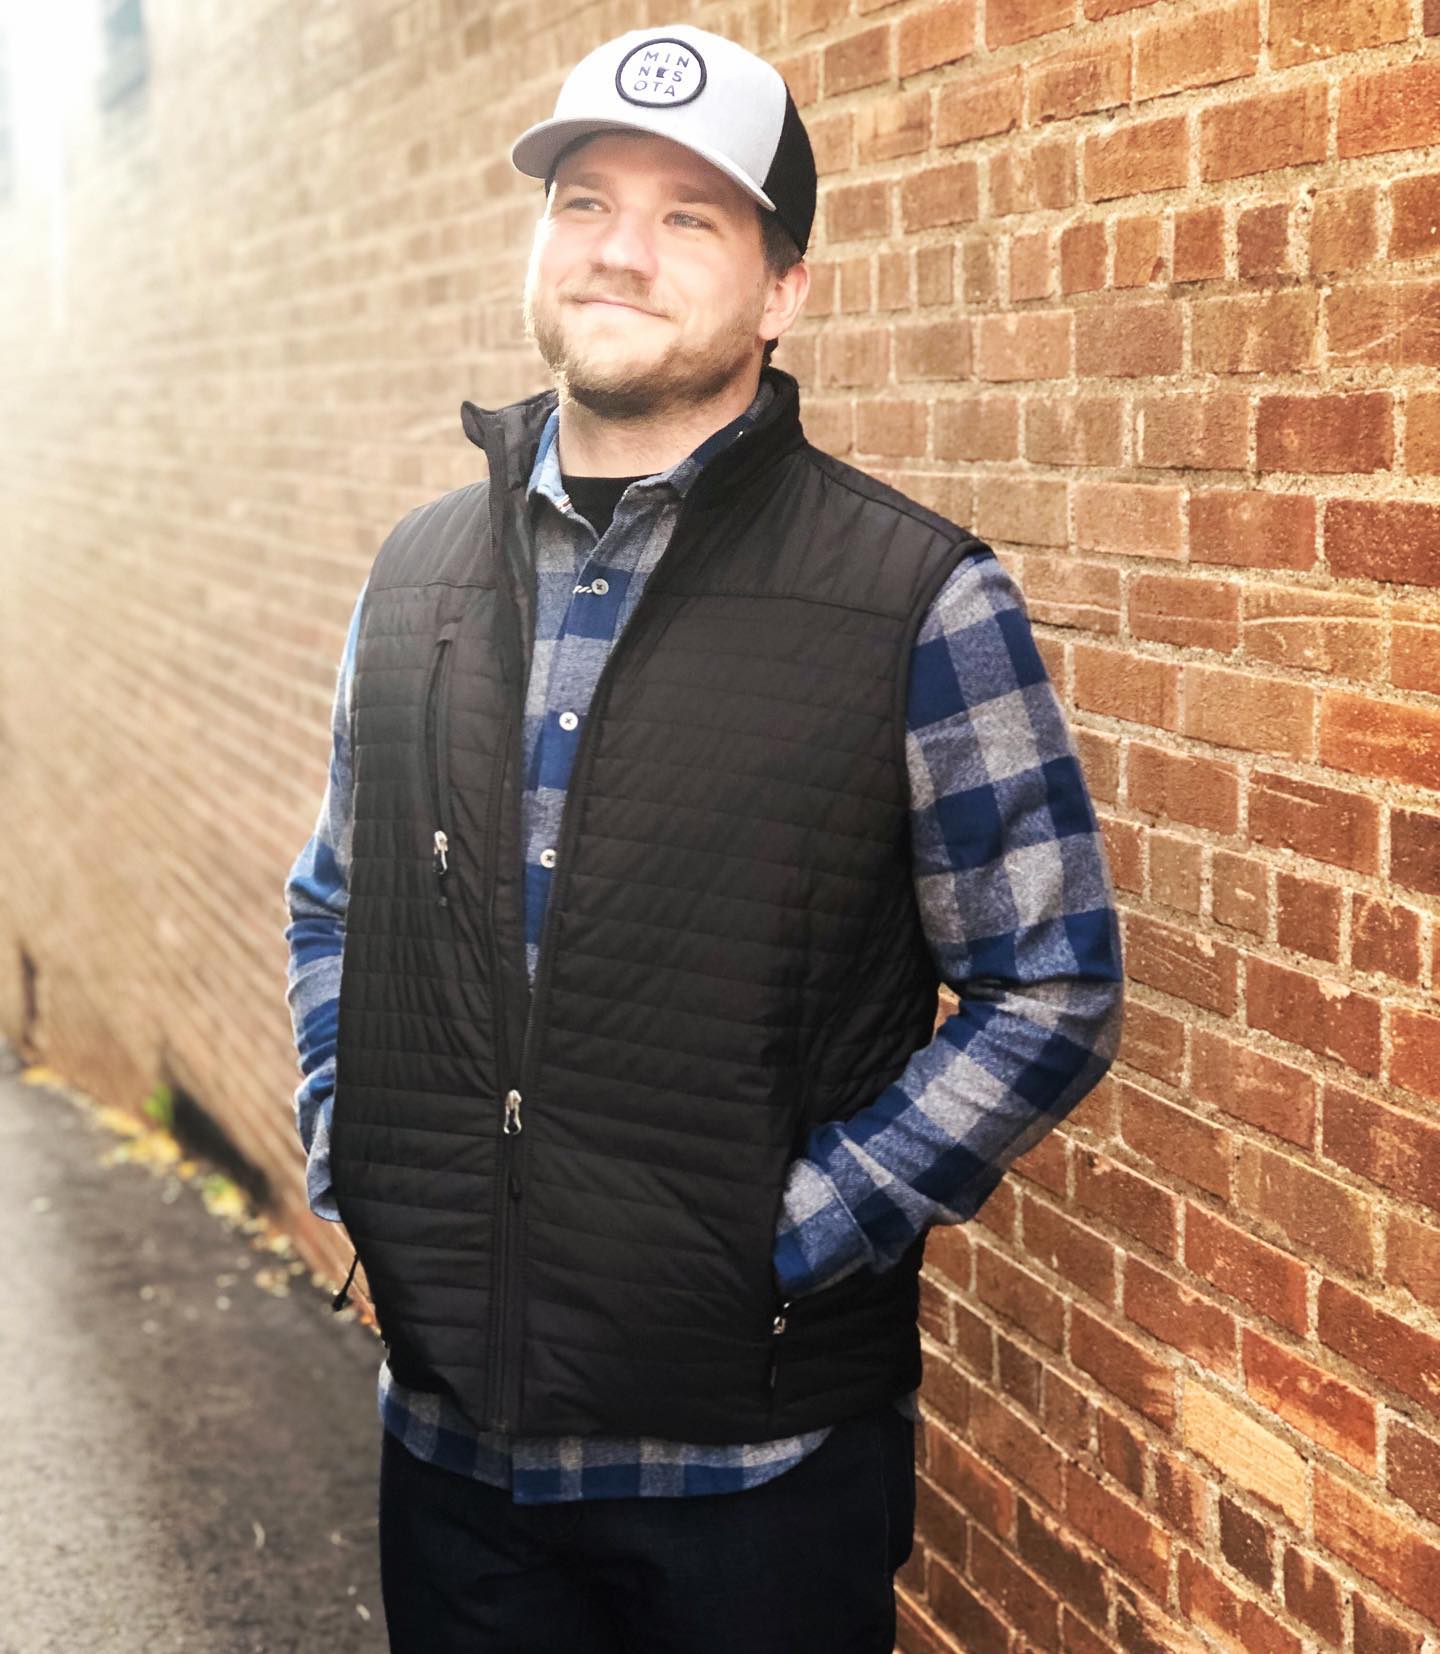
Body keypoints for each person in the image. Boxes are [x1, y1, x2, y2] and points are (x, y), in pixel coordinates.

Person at [282, 21, 1123, 1653]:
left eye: (691, 216)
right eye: (586, 198)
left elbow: (1052, 986)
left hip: (756, 1474)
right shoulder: (417, 575)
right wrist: (350, 1138)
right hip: (452, 1457)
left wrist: (786, 1235)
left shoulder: (916, 597)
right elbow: (336, 901)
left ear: (783, 286)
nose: (619, 248)